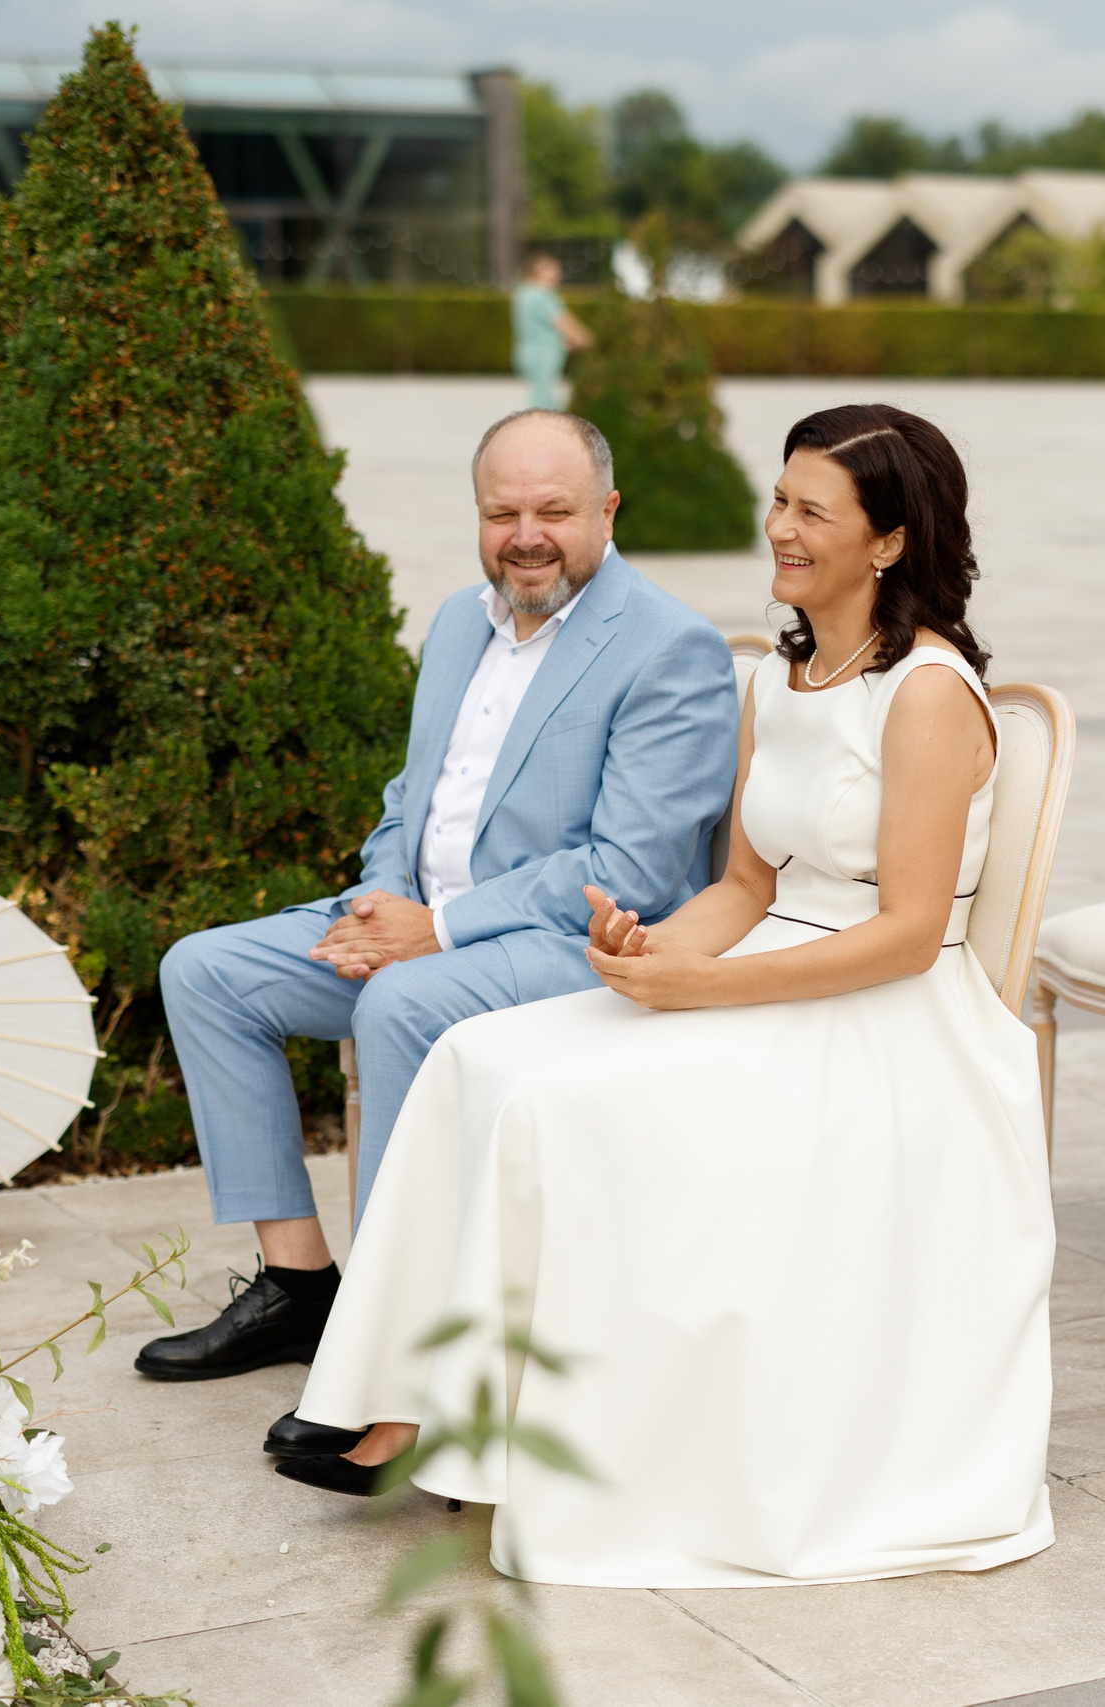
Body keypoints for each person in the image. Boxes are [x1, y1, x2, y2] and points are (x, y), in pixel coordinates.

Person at [277, 405, 1059, 1591]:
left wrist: (704, 990)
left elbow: (904, 936)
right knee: (479, 1059)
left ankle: (553, 1444)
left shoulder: (928, 695)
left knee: (558, 1107)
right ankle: (423, 1404)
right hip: (764, 965)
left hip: (890, 1013)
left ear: (889, 542)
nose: (779, 528)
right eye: (781, 499)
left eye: (811, 511)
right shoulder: (784, 672)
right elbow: (745, 883)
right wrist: (651, 951)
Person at [137, 412, 738, 1423]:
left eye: (554, 510)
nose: (527, 535)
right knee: (205, 971)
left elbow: (630, 868)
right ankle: (300, 1288)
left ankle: (391, 1352)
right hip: (421, 923)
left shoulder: (669, 648)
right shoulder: (463, 620)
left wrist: (440, 930)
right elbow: (413, 795)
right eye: (502, 512)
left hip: (570, 949)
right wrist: (385, 899)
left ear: (608, 510)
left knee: (401, 1005)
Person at [512, 252, 592, 409]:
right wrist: (587, 339)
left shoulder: (523, 293)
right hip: (544, 352)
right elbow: (562, 321)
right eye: (551, 270)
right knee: (543, 399)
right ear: (537, 272)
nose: (556, 275)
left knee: (541, 393)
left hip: (526, 351)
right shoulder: (541, 295)